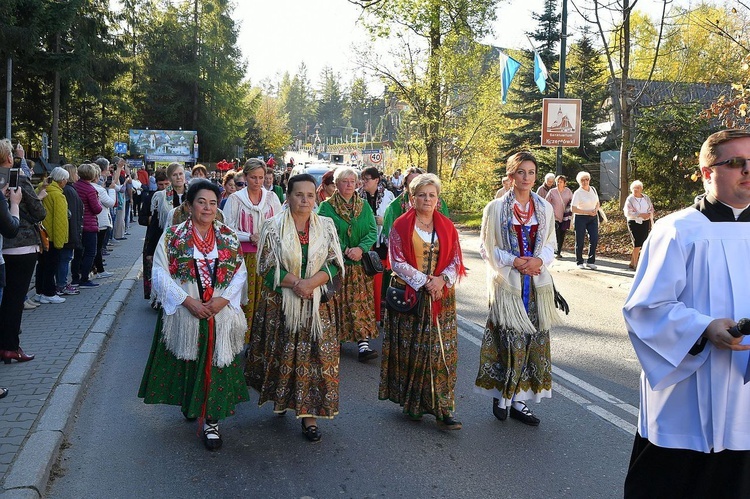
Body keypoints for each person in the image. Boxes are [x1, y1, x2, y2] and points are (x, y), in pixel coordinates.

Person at [622, 129, 750, 497]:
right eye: (735, 163)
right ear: (707, 172)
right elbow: (645, 308)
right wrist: (704, 327)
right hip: (688, 390)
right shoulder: (676, 230)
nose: (746, 171)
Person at [139, 180, 249, 451]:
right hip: (187, 315)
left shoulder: (228, 236)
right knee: (188, 363)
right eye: (201, 202)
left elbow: (240, 272)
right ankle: (192, 403)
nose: (207, 208)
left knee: (217, 364)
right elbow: (160, 273)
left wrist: (222, 301)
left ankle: (212, 421)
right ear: (189, 206)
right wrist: (188, 302)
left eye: (213, 203)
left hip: (218, 314)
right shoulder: (173, 236)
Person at [245, 174, 345, 442]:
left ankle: (308, 416)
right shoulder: (272, 226)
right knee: (283, 354)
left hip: (316, 306)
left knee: (316, 358)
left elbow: (335, 262)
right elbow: (265, 267)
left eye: (310, 195)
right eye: (299, 194)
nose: (305, 200)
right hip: (281, 306)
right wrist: (296, 284)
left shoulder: (326, 226)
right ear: (287, 197)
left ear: (317, 197)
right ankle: (283, 398)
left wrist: (311, 283)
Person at [474, 151, 561, 426]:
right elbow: (486, 248)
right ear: (511, 175)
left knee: (532, 343)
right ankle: (502, 395)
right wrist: (514, 261)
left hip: (536, 286)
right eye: (521, 172)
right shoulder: (495, 208)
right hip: (508, 286)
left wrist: (538, 260)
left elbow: (550, 244)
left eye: (531, 172)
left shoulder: (544, 208)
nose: (526, 177)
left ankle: (520, 400)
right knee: (509, 342)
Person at [380, 173, 466, 429]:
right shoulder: (401, 226)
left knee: (441, 353)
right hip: (412, 297)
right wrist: (425, 281)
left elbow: (456, 260)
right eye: (422, 195)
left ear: (438, 199)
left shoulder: (447, 227)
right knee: (414, 352)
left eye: (432, 195)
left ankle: (443, 408)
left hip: (441, 298)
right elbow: (396, 261)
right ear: (412, 198)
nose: (427, 199)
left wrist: (441, 281)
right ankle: (414, 403)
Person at [318, 166, 379, 361]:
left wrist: (360, 248)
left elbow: (372, 230)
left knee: (360, 303)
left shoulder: (363, 205)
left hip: (359, 265)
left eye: (353, 182)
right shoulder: (326, 207)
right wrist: (345, 249)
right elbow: (325, 233)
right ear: (336, 184)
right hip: (337, 265)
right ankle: (336, 340)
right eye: (345, 181)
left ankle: (363, 345)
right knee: (337, 303)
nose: (349, 185)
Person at [223, 158, 282, 343]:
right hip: (244, 256)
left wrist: (265, 236)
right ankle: (242, 339)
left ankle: (262, 341)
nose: (257, 182)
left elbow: (280, 223)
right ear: (245, 177)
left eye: (261, 177)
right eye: (253, 177)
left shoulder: (271, 198)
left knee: (266, 298)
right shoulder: (235, 199)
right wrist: (249, 236)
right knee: (245, 298)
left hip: (268, 255)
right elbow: (227, 228)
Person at [0, 138, 46, 363]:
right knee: (15, 299)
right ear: (9, 157)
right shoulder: (18, 178)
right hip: (22, 244)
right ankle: (10, 347)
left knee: (5, 298)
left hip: (2, 249)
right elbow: (39, 212)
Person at [359, 166, 395, 324]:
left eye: (367, 179)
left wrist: (383, 221)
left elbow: (394, 218)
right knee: (364, 282)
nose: (364, 182)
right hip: (364, 241)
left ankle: (377, 316)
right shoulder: (358, 195)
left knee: (379, 282)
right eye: (362, 179)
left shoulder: (388, 196)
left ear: (376, 180)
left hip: (381, 244)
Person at [382, 167, 450, 240]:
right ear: (406, 186)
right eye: (412, 182)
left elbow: (447, 231)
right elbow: (389, 238)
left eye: (420, 182)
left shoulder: (439, 203)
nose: (416, 185)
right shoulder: (394, 207)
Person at [36, 167, 70, 303]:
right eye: (66, 179)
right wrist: (60, 241)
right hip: (53, 236)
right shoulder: (58, 195)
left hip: (41, 234)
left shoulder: (41, 189)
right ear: (62, 180)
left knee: (42, 264)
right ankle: (49, 293)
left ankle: (40, 292)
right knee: (51, 265)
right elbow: (60, 220)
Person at [72, 163, 103, 289]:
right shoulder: (90, 190)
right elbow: (96, 209)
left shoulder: (75, 186)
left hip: (77, 224)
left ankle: (75, 277)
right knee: (90, 252)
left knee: (78, 252)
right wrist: (99, 202)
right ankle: (84, 278)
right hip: (89, 224)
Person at [142, 171, 170, 301]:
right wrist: (155, 219)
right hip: (155, 235)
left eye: (166, 184)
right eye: (161, 184)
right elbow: (141, 219)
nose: (164, 187)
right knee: (153, 267)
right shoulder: (153, 197)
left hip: (170, 237)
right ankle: (154, 297)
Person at [58, 164, 82, 296]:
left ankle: (61, 283)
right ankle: (61, 284)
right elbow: (72, 215)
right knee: (65, 258)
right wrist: (75, 235)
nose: (77, 175)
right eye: (76, 173)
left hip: (68, 231)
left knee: (64, 258)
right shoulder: (69, 191)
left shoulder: (68, 189)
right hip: (68, 232)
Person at [571, 171, 600, 270]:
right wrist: (587, 212)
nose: (585, 182)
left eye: (587, 179)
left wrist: (595, 210)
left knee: (594, 239)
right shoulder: (578, 193)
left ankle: (591, 261)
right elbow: (573, 209)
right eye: (582, 180)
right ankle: (579, 261)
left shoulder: (593, 189)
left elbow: (597, 203)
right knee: (580, 240)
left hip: (593, 217)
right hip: (581, 218)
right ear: (579, 181)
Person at [623, 180, 654, 270]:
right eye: (634, 188)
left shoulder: (646, 197)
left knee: (643, 242)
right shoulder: (630, 199)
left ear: (641, 189)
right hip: (633, 222)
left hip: (645, 222)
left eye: (638, 188)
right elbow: (628, 211)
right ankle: (636, 264)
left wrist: (648, 214)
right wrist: (640, 215)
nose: (636, 190)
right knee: (637, 242)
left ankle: (632, 263)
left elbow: (651, 207)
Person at [545, 175, 573, 258]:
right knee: (557, 234)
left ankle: (559, 250)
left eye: (560, 182)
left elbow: (572, 201)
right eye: (557, 181)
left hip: (565, 217)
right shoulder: (552, 192)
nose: (558, 183)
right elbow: (546, 203)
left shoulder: (568, 191)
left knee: (562, 234)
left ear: (564, 183)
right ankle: (556, 252)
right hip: (554, 217)